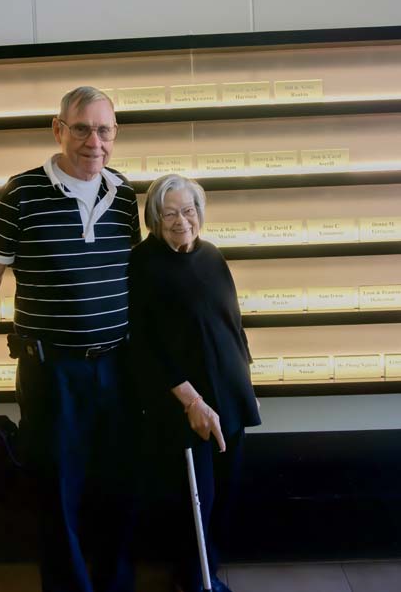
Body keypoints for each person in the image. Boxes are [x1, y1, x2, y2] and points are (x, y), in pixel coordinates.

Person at [0, 86, 141, 592]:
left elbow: (138, 283)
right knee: (57, 495)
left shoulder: (125, 195)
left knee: (117, 490)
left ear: (115, 135)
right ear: (58, 129)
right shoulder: (22, 192)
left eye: (104, 130)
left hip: (118, 370)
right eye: (81, 128)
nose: (94, 142)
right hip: (51, 371)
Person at [128, 174, 261, 592]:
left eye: (188, 211)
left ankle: (211, 571)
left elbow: (230, 324)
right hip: (187, 406)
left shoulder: (211, 255)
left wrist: (244, 380)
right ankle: (196, 580)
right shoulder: (144, 264)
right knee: (194, 502)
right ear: (154, 217)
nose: (181, 220)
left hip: (230, 400)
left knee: (223, 494)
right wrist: (191, 401)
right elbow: (144, 345)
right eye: (169, 213)